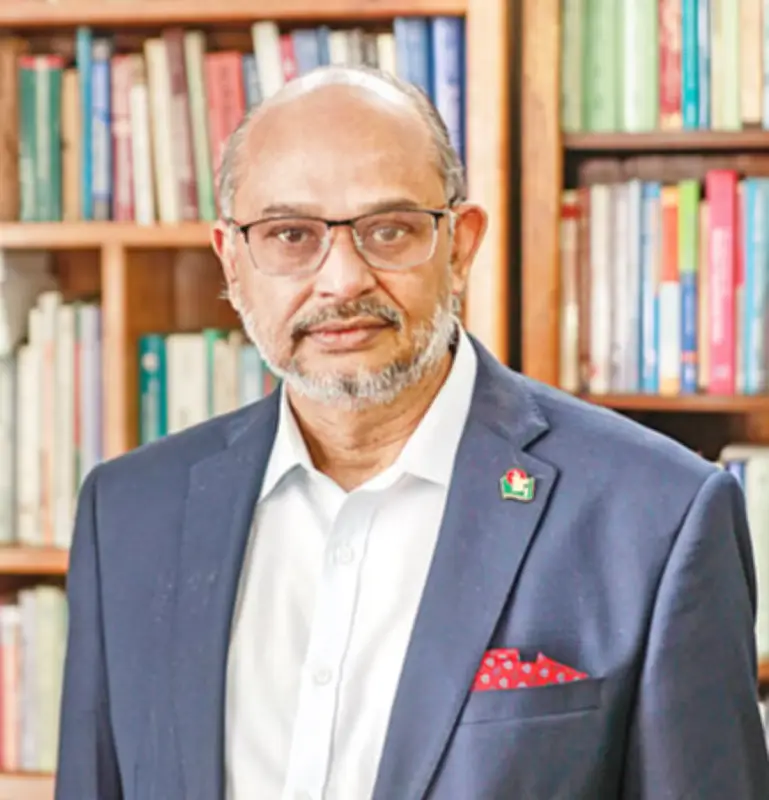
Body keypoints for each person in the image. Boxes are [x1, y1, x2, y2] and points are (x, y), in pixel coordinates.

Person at [54, 64, 769, 800]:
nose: (342, 280)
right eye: (290, 235)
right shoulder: (128, 513)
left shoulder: (657, 517)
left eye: (389, 230)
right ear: (232, 263)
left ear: (459, 246)